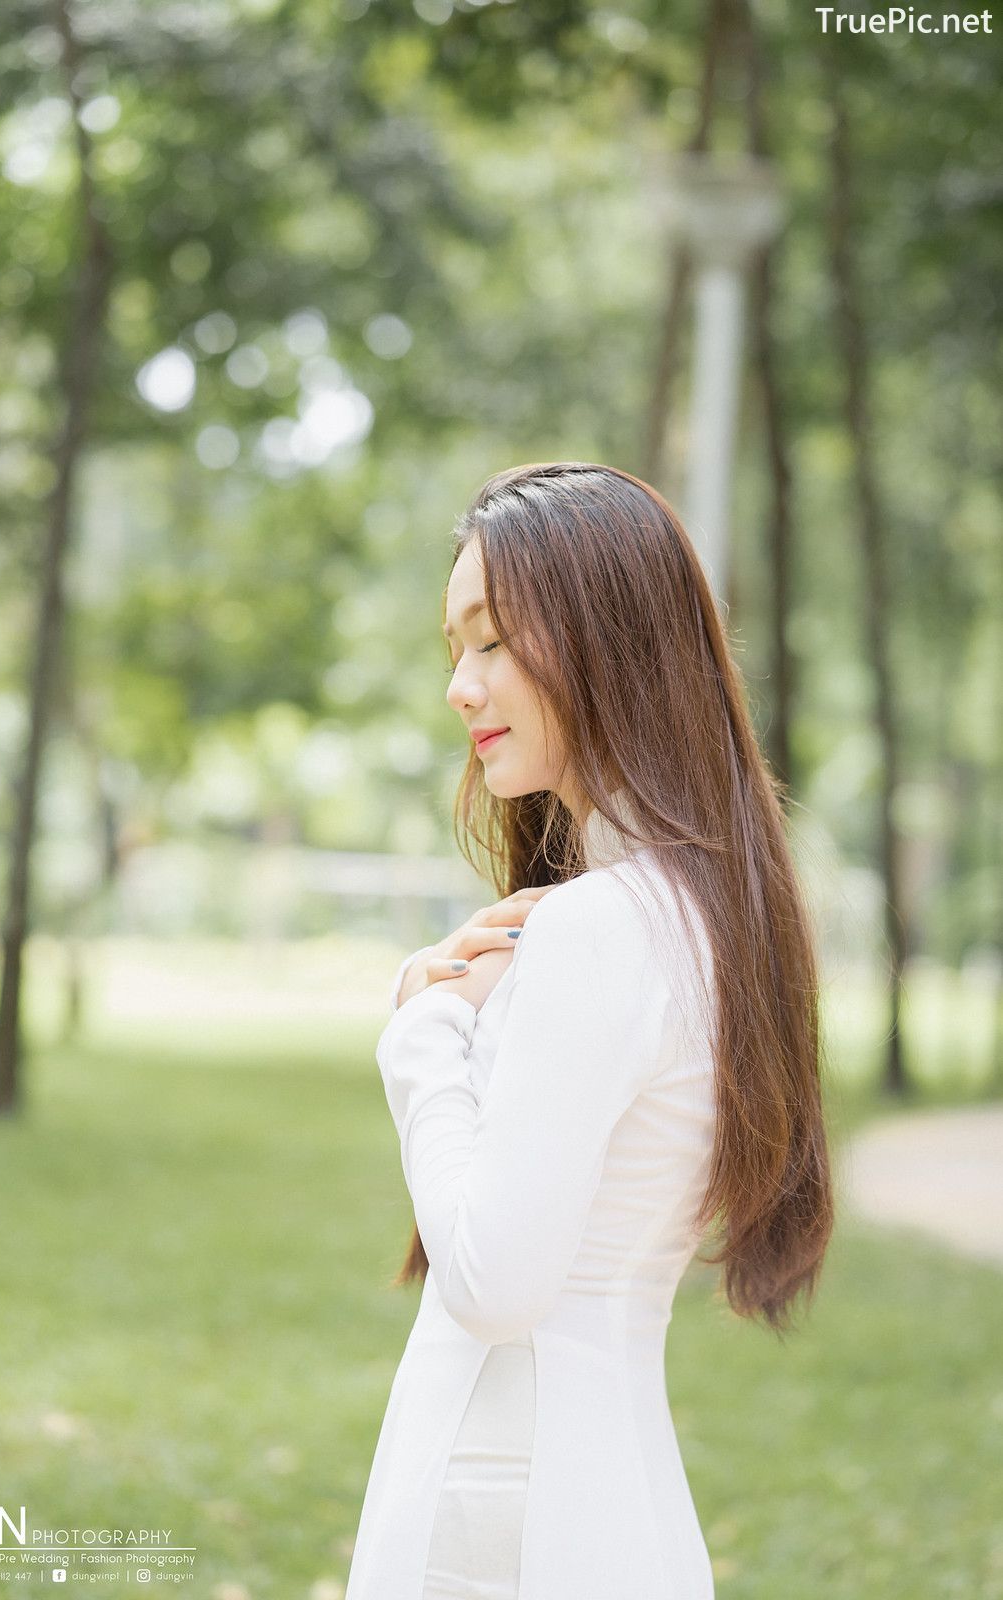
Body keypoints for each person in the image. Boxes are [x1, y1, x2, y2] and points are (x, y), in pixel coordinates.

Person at [344, 461, 834, 1600]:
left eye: (496, 640)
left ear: (609, 638)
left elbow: (497, 1283)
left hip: (507, 1522)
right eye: (455, 649)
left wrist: (420, 1038)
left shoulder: (600, 930)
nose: (461, 686)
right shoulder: (691, 909)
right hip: (604, 1497)